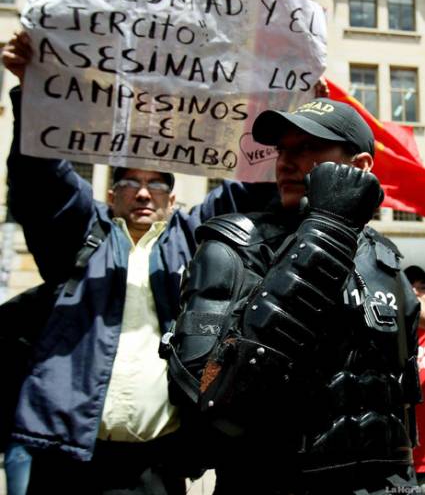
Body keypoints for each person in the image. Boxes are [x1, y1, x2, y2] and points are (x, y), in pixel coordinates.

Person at [2, 30, 279, 495]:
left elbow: (250, 188)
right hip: (64, 460)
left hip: (156, 466)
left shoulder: (193, 239)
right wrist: (33, 94)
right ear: (111, 195)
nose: (144, 192)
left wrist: (285, 111)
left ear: (173, 200)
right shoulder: (84, 234)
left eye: (157, 184)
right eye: (131, 183)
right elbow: (43, 174)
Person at [164, 98, 421, 495]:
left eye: (307, 148)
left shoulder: (386, 259)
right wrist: (325, 232)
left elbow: (396, 399)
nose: (285, 162)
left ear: (360, 167)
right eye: (283, 149)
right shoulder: (234, 246)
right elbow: (209, 396)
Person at [406, 265, 425, 493]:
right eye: (409, 286)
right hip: (401, 463)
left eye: (421, 288)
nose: (415, 291)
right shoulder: (399, 334)